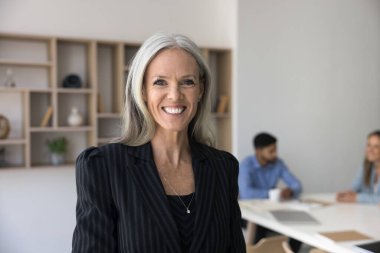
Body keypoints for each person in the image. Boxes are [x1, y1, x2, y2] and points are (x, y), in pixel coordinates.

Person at [71, 33, 246, 253]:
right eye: (160, 82)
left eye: (187, 82)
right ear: (142, 90)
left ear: (200, 90)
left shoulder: (223, 167)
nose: (174, 95)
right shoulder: (102, 167)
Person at [238, 132, 302, 252]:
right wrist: (273, 193)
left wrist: (291, 191)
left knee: (298, 227)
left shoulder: (278, 163)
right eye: (271, 151)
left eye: (275, 150)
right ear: (259, 151)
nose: (275, 154)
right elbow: (246, 193)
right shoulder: (246, 165)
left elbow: (297, 185)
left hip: (272, 209)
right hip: (249, 212)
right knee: (259, 227)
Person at [337, 130, 380, 203]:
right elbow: (355, 187)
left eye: (376, 147)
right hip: (369, 213)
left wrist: (357, 198)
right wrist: (347, 194)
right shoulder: (366, 166)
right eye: (368, 145)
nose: (370, 150)